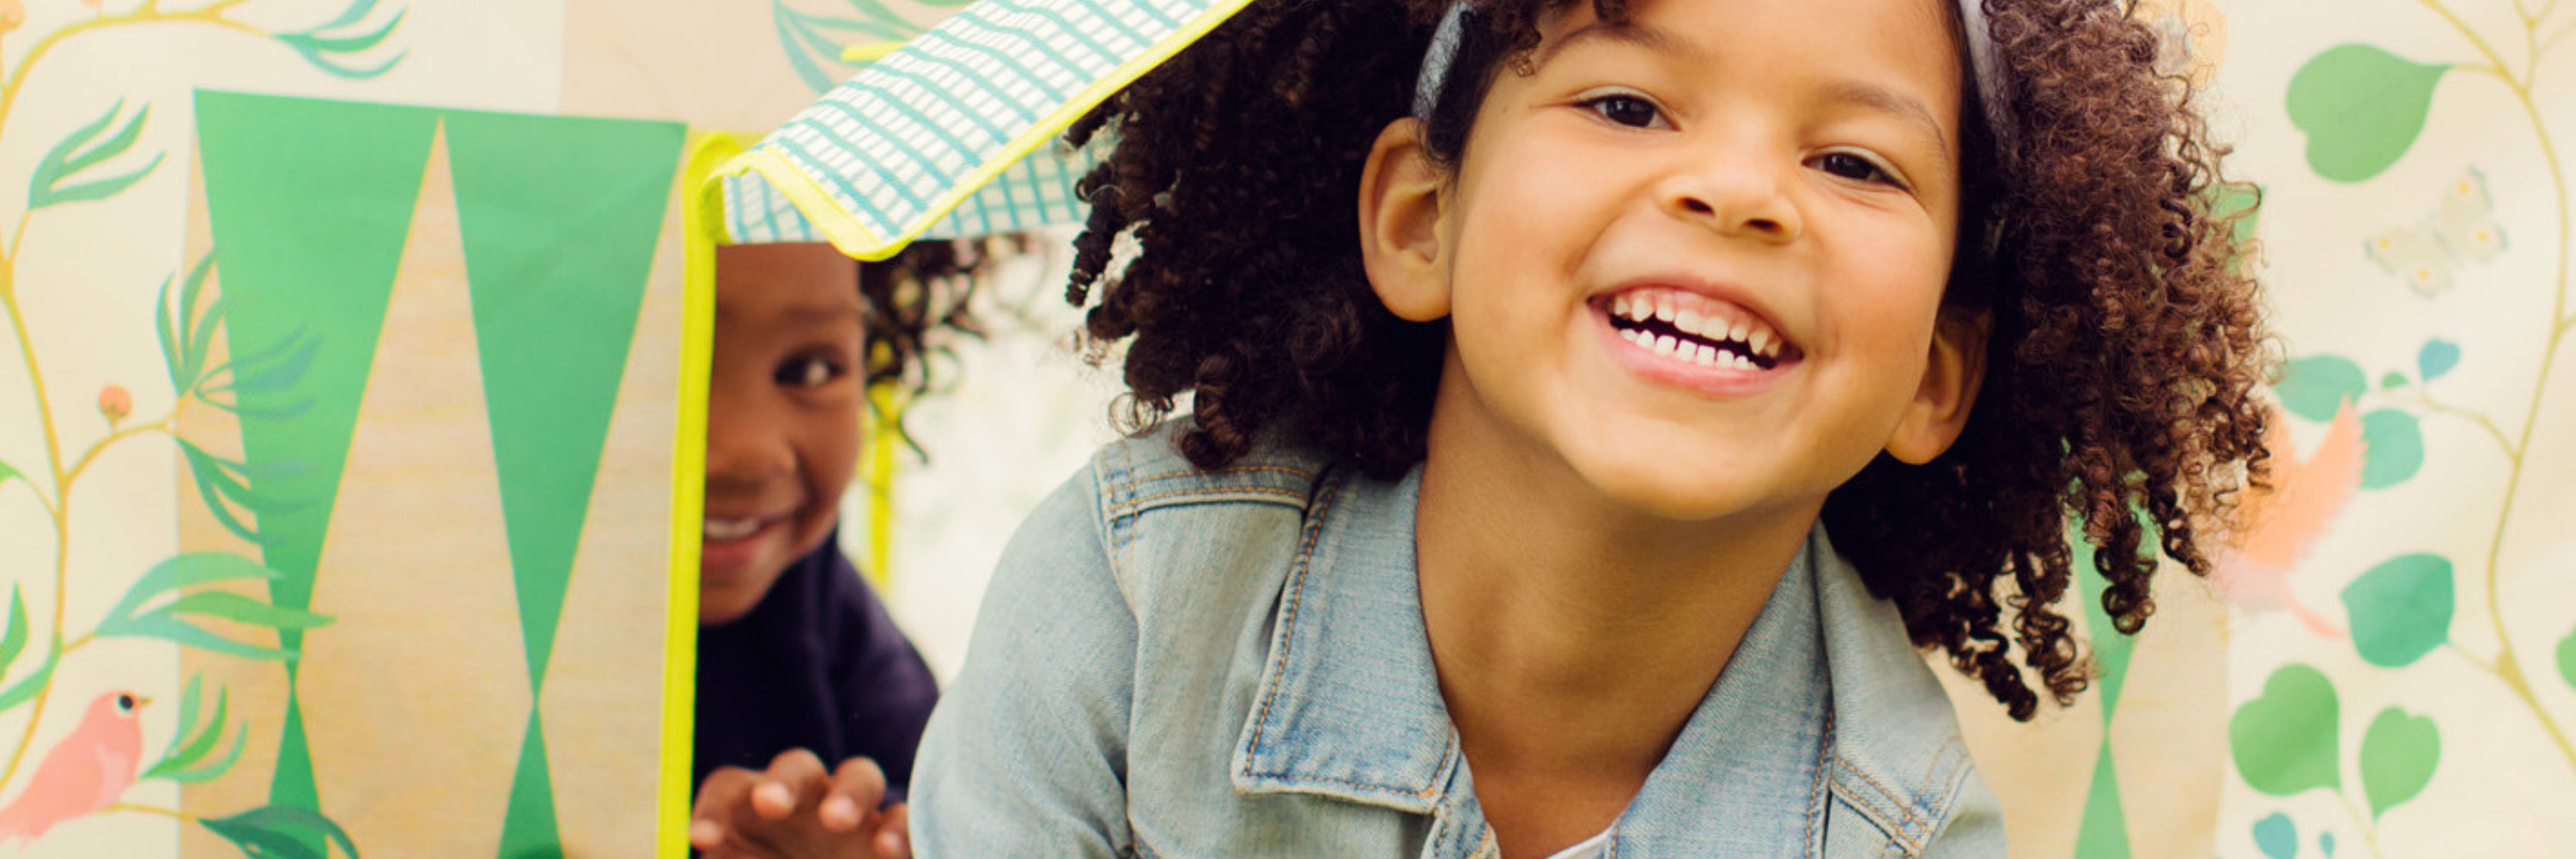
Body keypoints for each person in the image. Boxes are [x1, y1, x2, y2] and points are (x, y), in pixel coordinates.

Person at [908, 0, 2272, 856]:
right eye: (1625, 104)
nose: (1739, 192)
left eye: (1853, 161)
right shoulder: (1134, 596)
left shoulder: (1900, 832)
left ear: (1933, 376)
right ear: (1422, 221)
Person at [687, 239, 989, 859]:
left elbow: (945, 808)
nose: (750, 452)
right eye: (673, 366)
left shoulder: (818, 594)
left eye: (810, 369)